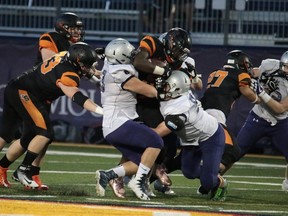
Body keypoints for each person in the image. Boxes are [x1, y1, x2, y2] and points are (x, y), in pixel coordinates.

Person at [0, 12, 87, 190]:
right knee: (42, 134)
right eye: (73, 28)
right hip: (31, 92)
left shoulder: (75, 46)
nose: (77, 31)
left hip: (39, 94)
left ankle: (15, 170)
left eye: (79, 28)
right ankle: (27, 172)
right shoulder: (50, 38)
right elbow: (51, 61)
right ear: (62, 27)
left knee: (27, 136)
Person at [133, 27, 202, 194]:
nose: (178, 55)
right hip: (140, 99)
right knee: (155, 141)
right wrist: (163, 70)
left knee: (169, 146)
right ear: (170, 42)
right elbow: (139, 62)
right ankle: (133, 178)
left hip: (159, 102)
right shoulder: (152, 42)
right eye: (177, 50)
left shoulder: (182, 61)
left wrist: (193, 76)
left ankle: (149, 178)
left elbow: (197, 85)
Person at [95, 38, 163, 201]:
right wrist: (159, 81)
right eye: (130, 53)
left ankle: (107, 175)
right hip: (118, 122)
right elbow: (150, 92)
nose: (134, 56)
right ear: (121, 57)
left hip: (116, 122)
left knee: (143, 162)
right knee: (156, 142)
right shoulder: (121, 73)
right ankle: (138, 183)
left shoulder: (110, 65)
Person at [154, 70, 228, 201]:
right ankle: (209, 174)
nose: (162, 88)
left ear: (176, 88)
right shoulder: (179, 94)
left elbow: (159, 131)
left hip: (211, 136)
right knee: (189, 172)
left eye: (166, 86)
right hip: (191, 140)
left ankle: (219, 182)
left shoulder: (180, 107)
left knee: (208, 182)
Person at [236, 50, 288, 192]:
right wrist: (244, 74)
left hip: (281, 122)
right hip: (258, 116)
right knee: (235, 151)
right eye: (286, 66)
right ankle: (213, 178)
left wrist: (261, 92)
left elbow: (280, 109)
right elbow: (253, 73)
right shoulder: (269, 64)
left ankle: (287, 183)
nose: (287, 70)